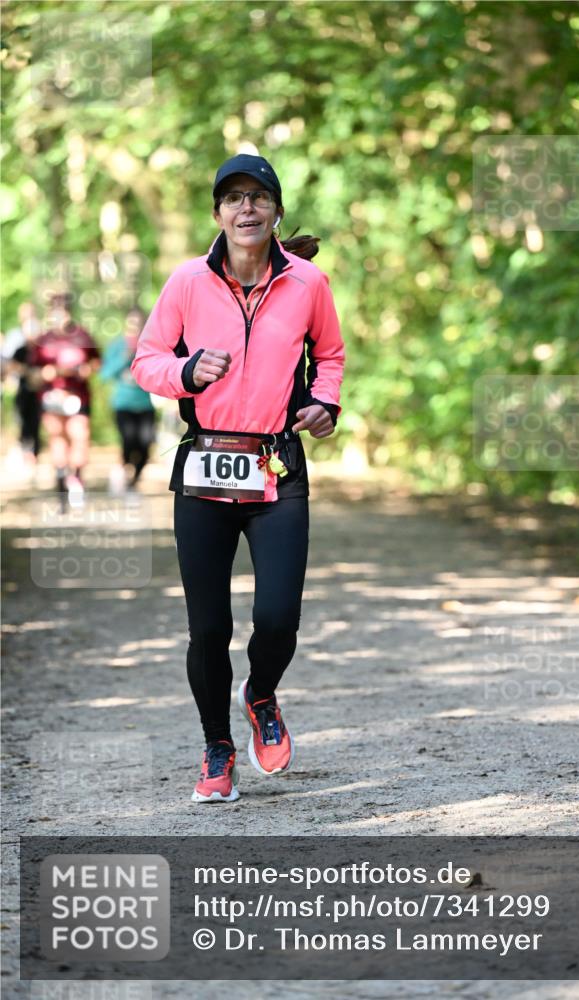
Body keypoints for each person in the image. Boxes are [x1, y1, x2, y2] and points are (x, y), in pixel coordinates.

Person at [132, 153, 345, 803]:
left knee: (277, 616)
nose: (246, 208)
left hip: (275, 466)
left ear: (277, 210)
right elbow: (147, 360)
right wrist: (185, 372)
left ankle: (261, 695)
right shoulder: (187, 282)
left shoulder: (308, 282)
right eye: (233, 198)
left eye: (258, 197)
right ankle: (216, 748)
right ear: (217, 214)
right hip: (204, 467)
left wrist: (323, 404)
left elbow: (329, 356)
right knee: (208, 628)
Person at [29, 292, 100, 505]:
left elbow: (96, 362)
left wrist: (87, 370)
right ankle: (60, 482)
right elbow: (32, 374)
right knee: (57, 438)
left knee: (79, 436)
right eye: (54, 311)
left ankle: (76, 478)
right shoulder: (43, 340)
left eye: (63, 310)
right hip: (52, 396)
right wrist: (47, 373)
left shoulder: (83, 336)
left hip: (78, 396)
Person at [100, 307, 156, 494]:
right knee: (128, 441)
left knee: (146, 445)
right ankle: (123, 473)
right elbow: (105, 374)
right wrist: (124, 358)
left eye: (140, 324)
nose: (136, 328)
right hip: (123, 404)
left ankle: (135, 478)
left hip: (145, 405)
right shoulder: (118, 346)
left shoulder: (150, 346)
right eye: (132, 324)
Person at [1, 302, 43, 474]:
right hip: (23, 389)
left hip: (40, 392)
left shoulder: (43, 348)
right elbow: (9, 364)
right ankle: (26, 453)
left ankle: (34, 454)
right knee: (23, 421)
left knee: (36, 423)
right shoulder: (16, 343)